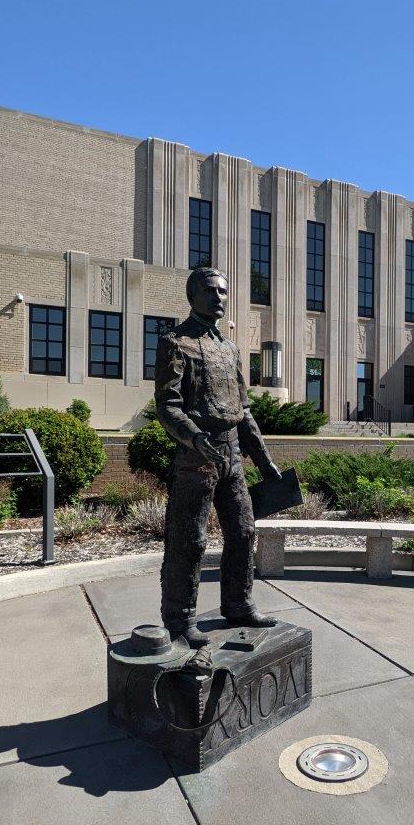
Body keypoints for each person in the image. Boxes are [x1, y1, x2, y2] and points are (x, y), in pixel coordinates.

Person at [153, 266, 283, 648]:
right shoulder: (175, 342)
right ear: (192, 295)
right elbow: (168, 406)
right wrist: (194, 438)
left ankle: (239, 604)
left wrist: (263, 458)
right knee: (189, 539)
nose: (219, 298)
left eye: (224, 292)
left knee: (243, 531)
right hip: (197, 457)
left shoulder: (229, 348)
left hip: (232, 454)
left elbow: (244, 410)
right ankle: (179, 620)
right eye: (211, 291)